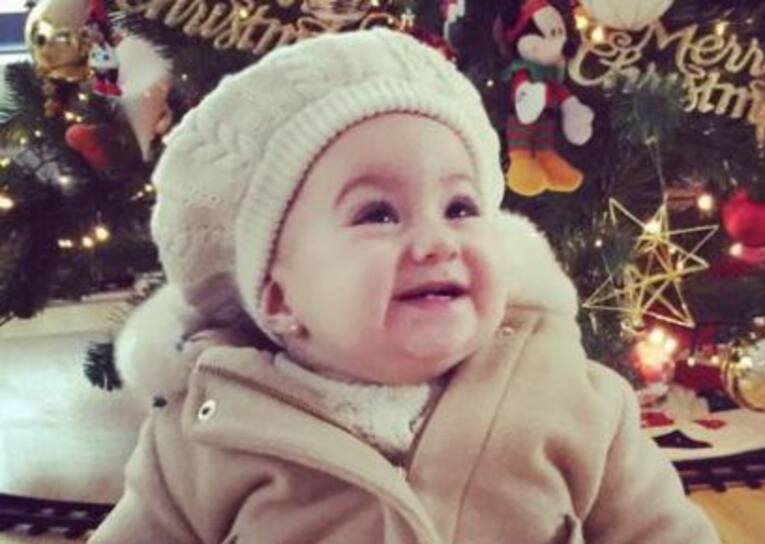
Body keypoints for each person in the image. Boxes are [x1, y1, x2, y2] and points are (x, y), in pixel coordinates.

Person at [92, 29, 719, 544]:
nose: (437, 241)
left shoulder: (578, 402)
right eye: (378, 214)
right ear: (278, 298)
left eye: (460, 207)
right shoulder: (208, 437)